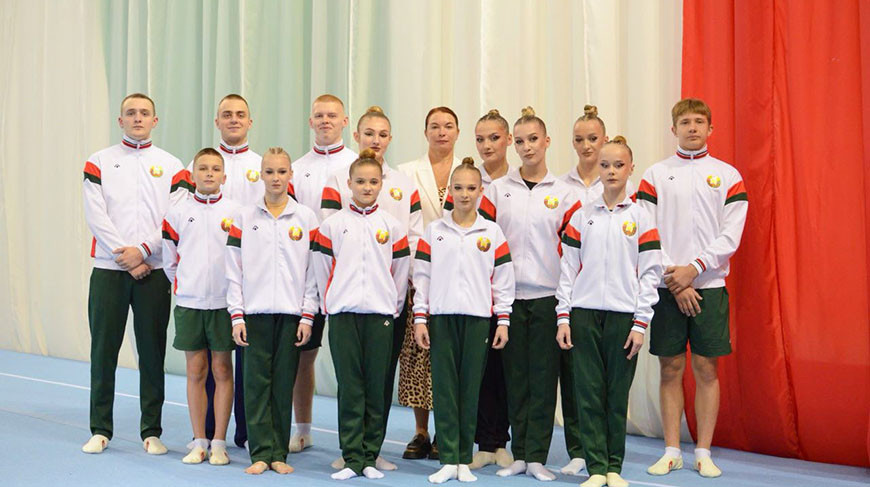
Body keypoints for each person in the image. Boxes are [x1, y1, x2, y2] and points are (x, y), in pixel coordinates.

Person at [638, 98, 748, 479]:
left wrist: (694, 269)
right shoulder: (655, 175)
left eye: (699, 121)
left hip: (709, 286)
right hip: (667, 286)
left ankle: (703, 451)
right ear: (673, 129)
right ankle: (672, 450)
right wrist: (675, 277)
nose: (692, 128)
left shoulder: (728, 175)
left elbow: (730, 236)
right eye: (685, 122)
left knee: (705, 368)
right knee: (670, 367)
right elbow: (647, 231)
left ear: (710, 128)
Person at [480, 107, 582, 481]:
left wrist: (565, 303)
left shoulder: (566, 195)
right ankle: (519, 453)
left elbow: (574, 254)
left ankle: (536, 455)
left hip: (547, 298)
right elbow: (483, 244)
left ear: (547, 141)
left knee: (542, 380)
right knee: (514, 379)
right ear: (514, 144)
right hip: (507, 300)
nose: (527, 147)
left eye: (533, 140)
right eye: (520, 141)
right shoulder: (497, 191)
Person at [81, 93, 186, 455]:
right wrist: (125, 256)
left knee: (152, 353)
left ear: (155, 121)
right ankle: (100, 429)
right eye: (131, 113)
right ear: (120, 120)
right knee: (103, 351)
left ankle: (151, 431)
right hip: (109, 271)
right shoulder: (99, 161)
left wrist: (142, 251)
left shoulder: (172, 165)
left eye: (144, 113)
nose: (137, 118)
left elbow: (174, 219)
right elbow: (95, 215)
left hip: (153, 272)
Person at [556, 136, 663, 487]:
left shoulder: (642, 218)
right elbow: (568, 270)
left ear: (631, 168)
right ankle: (596, 468)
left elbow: (650, 274)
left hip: (623, 316)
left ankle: (614, 466)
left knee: (616, 395)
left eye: (619, 165)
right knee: (588, 394)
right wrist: (564, 317)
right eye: (605, 165)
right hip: (584, 315)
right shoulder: (582, 217)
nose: (612, 171)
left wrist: (640, 323)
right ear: (597, 169)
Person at [321, 106, 423, 471]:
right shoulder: (336, 185)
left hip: (384, 307)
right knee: (351, 384)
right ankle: (352, 451)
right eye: (369, 133)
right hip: (345, 307)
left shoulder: (402, 190)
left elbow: (407, 250)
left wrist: (395, 303)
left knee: (379, 382)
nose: (375, 140)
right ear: (357, 136)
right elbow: (324, 261)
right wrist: (330, 300)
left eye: (382, 134)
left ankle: (371, 451)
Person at [412, 159, 515, 484]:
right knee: (445, 389)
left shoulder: (492, 232)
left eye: (471, 188)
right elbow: (422, 277)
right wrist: (420, 317)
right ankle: (449, 459)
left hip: (478, 320)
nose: (465, 194)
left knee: (470, 390)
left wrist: (503, 320)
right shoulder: (434, 231)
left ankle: (463, 459)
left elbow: (503, 280)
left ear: (481, 191)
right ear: (449, 192)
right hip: (442, 319)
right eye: (458, 188)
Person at [226, 147, 319, 475]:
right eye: (269, 172)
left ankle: (278, 451)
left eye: (281, 172)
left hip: (292, 315)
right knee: (255, 386)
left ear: (291, 175)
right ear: (261, 175)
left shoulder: (306, 218)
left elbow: (312, 272)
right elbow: (233, 270)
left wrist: (307, 315)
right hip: (255, 314)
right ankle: (260, 452)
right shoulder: (244, 217)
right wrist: (237, 315)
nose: (276, 178)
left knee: (282, 385)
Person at [289, 94, 358, 453]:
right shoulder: (296, 169)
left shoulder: (357, 165)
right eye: (319, 115)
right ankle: (303, 429)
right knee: (304, 354)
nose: (325, 121)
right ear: (310, 122)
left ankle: (358, 438)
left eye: (332, 115)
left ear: (345, 121)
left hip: (348, 277)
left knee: (352, 361)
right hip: (308, 276)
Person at [162, 148, 240, 465]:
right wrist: (188, 287)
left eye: (215, 169)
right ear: (192, 175)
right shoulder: (177, 212)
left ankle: (219, 442)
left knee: (222, 370)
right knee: (195, 371)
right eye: (203, 168)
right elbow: (170, 262)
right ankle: (199, 441)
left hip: (224, 304)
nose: (209, 173)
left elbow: (242, 259)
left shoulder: (236, 212)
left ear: (224, 176)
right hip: (190, 303)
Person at [396, 106, 462, 460]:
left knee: (448, 356)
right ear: (425, 132)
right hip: (417, 273)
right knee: (418, 356)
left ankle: (445, 429)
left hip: (458, 276)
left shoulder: (468, 172)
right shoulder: (406, 173)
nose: (441, 132)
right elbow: (403, 224)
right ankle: (421, 431)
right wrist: (415, 267)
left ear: (457, 132)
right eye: (434, 126)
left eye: (448, 126)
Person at [465, 109, 514, 470]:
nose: (487, 145)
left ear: (508, 140)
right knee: (482, 371)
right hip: (476, 291)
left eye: (494, 138)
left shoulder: (519, 183)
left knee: (508, 370)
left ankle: (504, 440)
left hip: (512, 290)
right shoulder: (468, 183)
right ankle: (484, 441)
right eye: (480, 139)